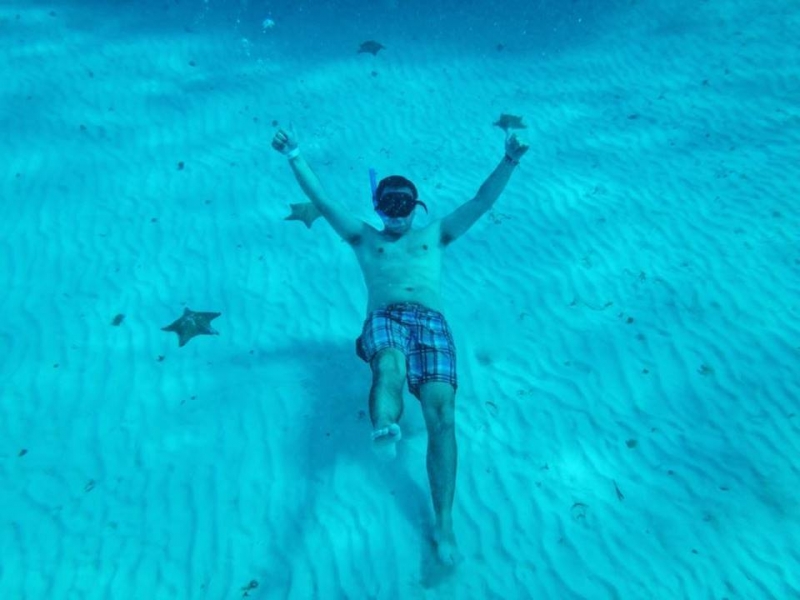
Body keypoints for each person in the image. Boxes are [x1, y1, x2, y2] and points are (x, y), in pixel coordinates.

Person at [272, 125, 529, 566]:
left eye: (403, 206)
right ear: (377, 206)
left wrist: (509, 160)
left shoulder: (435, 234)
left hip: (432, 324)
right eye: (387, 206)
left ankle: (444, 522)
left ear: (416, 205)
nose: (395, 215)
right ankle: (385, 426)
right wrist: (294, 154)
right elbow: (324, 202)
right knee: (389, 366)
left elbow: (481, 202)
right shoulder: (363, 237)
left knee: (442, 416)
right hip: (385, 317)